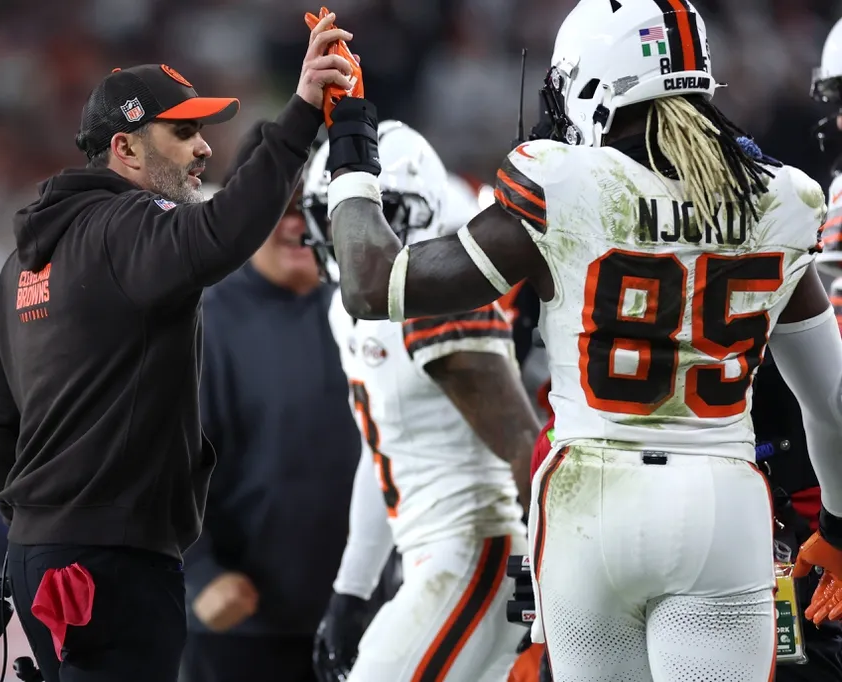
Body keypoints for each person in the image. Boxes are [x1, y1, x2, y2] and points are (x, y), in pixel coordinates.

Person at [322, 0, 842, 679]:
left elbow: (370, 283)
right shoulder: (783, 199)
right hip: (721, 500)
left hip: (588, 502)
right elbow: (830, 400)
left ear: (593, 82)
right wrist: (835, 527)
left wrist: (352, 141)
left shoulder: (561, 182)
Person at [0, 14, 358, 682]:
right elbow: (221, 234)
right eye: (183, 132)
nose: (203, 149)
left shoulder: (23, 264)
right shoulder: (128, 227)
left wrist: (39, 523)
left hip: (41, 556)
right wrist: (298, 120)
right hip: (111, 561)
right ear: (126, 149)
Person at [306, 121, 538, 682]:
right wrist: (352, 589)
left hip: (474, 546)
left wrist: (547, 568)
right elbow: (381, 443)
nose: (363, 235)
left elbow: (524, 444)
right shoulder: (346, 310)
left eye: (386, 213)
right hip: (435, 552)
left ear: (424, 210)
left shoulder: (438, 299)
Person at [179, 123, 362, 682]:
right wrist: (200, 575)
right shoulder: (200, 319)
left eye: (315, 206)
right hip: (240, 630)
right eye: (282, 207)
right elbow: (161, 464)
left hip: (361, 621)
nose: (298, 224)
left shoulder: (370, 314)